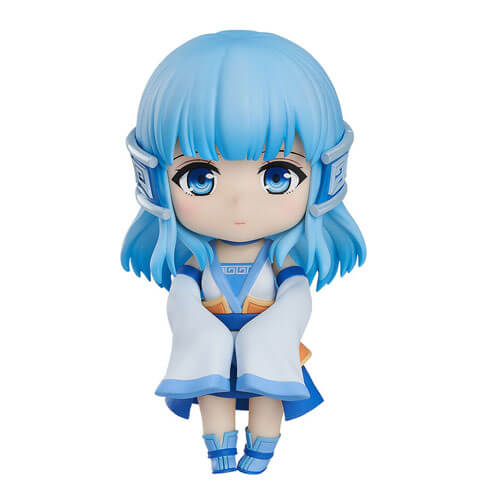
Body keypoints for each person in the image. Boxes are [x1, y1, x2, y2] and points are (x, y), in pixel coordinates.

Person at [122, 30, 366, 475]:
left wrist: (274, 329)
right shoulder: (196, 264)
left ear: (324, 177)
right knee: (209, 390)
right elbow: (181, 300)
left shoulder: (279, 261)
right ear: (154, 180)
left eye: (277, 176)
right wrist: (202, 330)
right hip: (210, 342)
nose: (239, 205)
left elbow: (296, 297)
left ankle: (262, 447)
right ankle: (218, 450)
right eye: (200, 178)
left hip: (266, 341)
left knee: (268, 392)